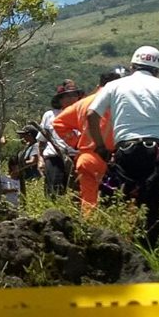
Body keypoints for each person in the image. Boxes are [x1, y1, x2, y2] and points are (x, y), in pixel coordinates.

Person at [88, 46, 159, 247]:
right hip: (157, 152)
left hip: (124, 150)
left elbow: (91, 115)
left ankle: (115, 243)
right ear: (157, 69)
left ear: (132, 66)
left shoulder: (114, 86)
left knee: (118, 198)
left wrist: (100, 147)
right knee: (153, 201)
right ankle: (149, 247)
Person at [53, 66, 126, 213]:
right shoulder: (124, 102)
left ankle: (90, 231)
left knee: (89, 203)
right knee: (123, 201)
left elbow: (58, 123)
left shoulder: (84, 103)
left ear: (99, 85)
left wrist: (76, 141)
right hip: (116, 158)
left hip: (88, 158)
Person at [39, 82, 82, 197]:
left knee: (76, 193)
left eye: (74, 95)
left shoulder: (83, 114)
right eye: (68, 96)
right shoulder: (50, 115)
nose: (72, 98)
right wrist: (40, 159)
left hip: (77, 158)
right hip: (55, 158)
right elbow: (42, 141)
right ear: (60, 99)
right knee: (54, 192)